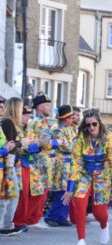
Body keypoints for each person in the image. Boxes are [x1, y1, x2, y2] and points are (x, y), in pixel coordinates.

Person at [61, 109, 112, 245]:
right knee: (78, 202)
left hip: (102, 174)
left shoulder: (109, 138)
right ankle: (81, 239)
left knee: (99, 212)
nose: (92, 127)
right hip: (84, 173)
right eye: (88, 125)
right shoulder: (80, 138)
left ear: (99, 124)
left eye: (94, 124)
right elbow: (75, 163)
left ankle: (104, 224)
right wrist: (70, 189)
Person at [26, 94, 61, 229]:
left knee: (42, 192)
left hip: (45, 162)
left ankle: (34, 218)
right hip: (39, 162)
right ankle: (30, 219)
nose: (49, 107)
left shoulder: (44, 121)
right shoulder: (39, 122)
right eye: (46, 105)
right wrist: (57, 142)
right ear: (40, 107)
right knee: (38, 193)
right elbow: (44, 143)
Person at [44, 105, 76, 227]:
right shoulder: (57, 129)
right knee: (60, 190)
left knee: (69, 189)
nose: (72, 119)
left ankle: (62, 216)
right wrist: (71, 145)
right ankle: (51, 216)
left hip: (70, 163)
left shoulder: (70, 129)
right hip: (61, 163)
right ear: (64, 118)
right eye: (70, 117)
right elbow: (67, 146)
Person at [10, 105, 34, 233]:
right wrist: (34, 146)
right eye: (25, 115)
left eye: (29, 116)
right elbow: (19, 147)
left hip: (25, 163)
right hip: (18, 163)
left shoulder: (24, 129)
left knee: (23, 194)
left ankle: (20, 220)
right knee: (19, 194)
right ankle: (17, 221)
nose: (27, 118)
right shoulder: (15, 128)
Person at [0, 98, 21, 235]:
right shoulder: (7, 122)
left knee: (9, 194)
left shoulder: (5, 122)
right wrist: (22, 143)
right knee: (9, 195)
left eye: (2, 106)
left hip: (8, 159)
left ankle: (6, 225)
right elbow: (10, 144)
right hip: (7, 160)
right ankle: (5, 226)